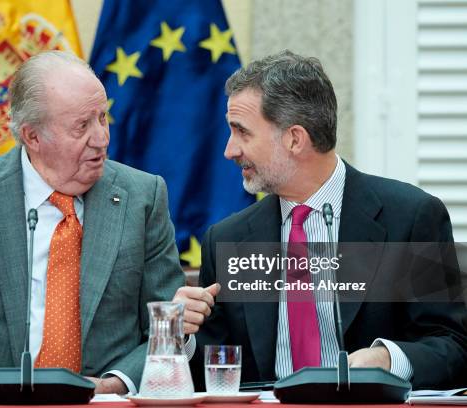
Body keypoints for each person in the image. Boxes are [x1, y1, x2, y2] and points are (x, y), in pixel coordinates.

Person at [175, 50, 467, 390]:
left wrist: (388, 359)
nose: (230, 149)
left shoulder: (412, 218)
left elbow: (453, 347)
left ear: (295, 139)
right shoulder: (227, 239)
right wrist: (182, 335)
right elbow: (216, 371)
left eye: (242, 132)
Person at [0, 51, 185, 393]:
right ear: (32, 136)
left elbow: (169, 329)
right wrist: (0, 387)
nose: (101, 139)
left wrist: (115, 384)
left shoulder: (143, 196)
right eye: (82, 126)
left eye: (102, 118)